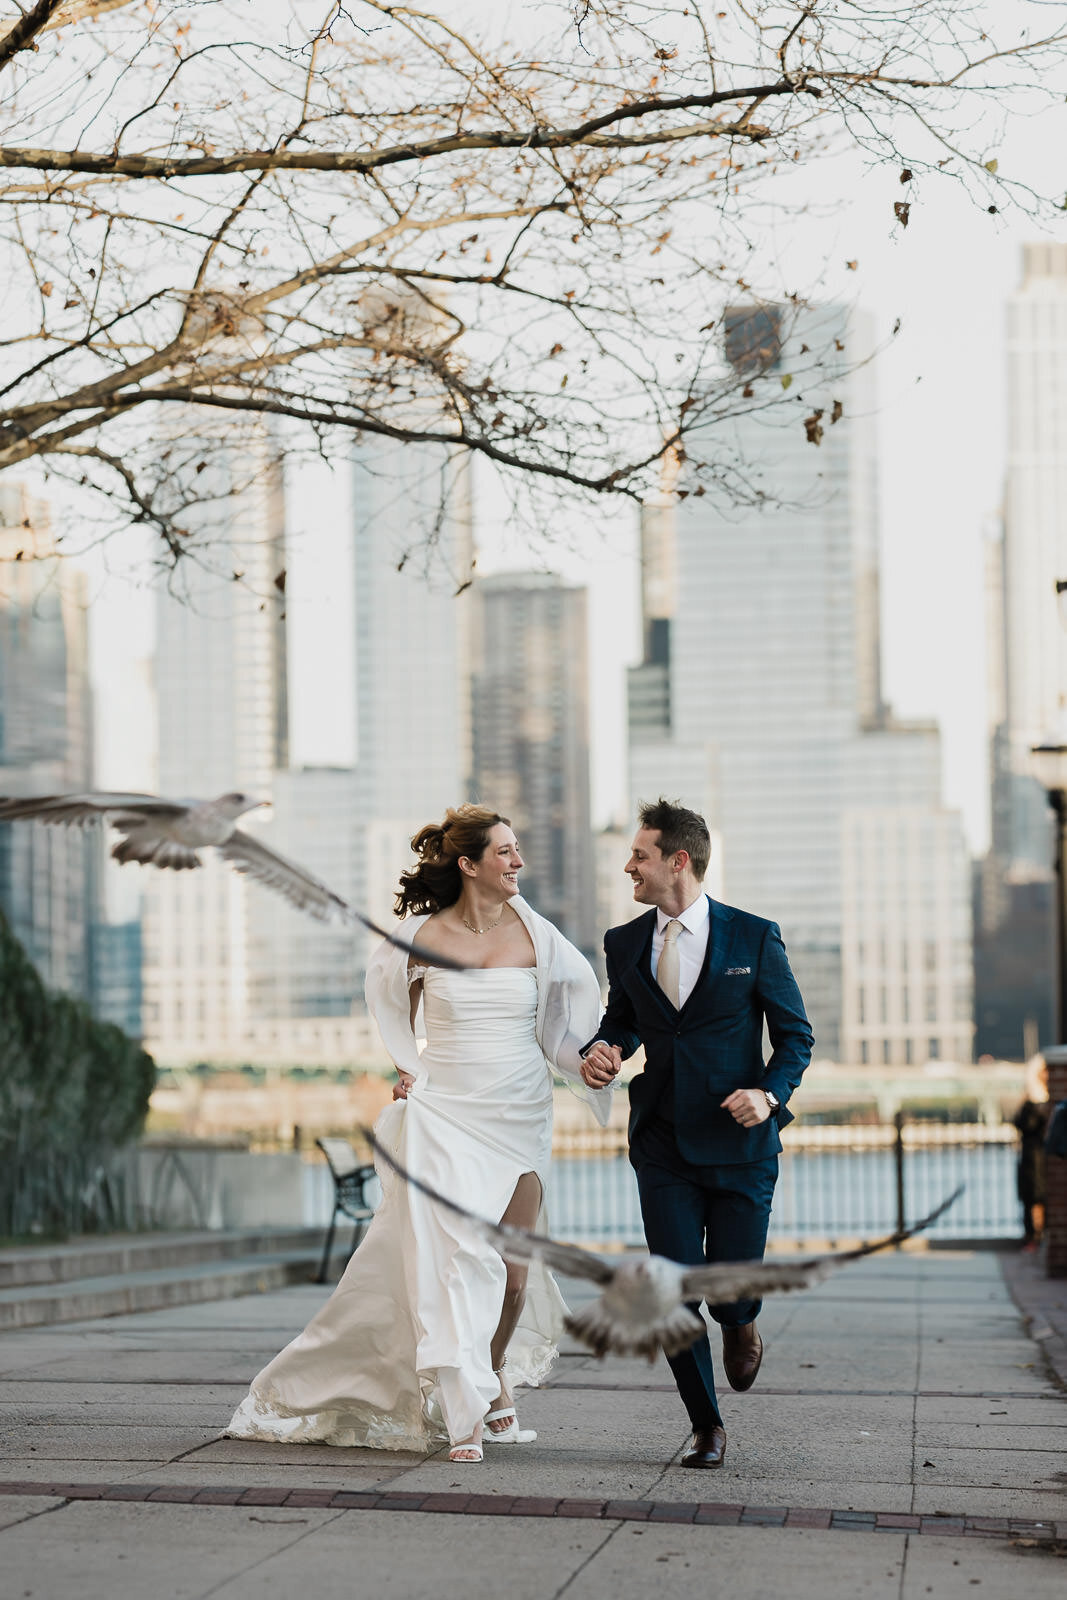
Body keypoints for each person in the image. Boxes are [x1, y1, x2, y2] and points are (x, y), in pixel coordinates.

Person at [226, 805, 611, 1463]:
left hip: (519, 1113)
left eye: (517, 850)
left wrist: (589, 1062)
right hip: (447, 1114)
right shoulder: (417, 936)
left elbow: (559, 1033)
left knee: (513, 1279)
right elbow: (389, 1004)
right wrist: (408, 1068)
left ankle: (490, 1385)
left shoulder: (538, 936)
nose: (518, 862)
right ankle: (463, 1416)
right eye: (505, 852)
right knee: (456, 1262)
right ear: (468, 864)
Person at [580, 798, 813, 1469]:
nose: (629, 866)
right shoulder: (623, 942)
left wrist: (768, 1094)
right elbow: (620, 1022)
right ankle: (705, 1425)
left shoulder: (752, 936)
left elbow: (794, 1036)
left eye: (639, 855)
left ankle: (740, 1325)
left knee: (728, 1291)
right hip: (661, 1143)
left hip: (740, 1145)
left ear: (677, 861)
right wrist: (603, 1050)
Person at [1013, 1056, 1049, 1251]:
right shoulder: (1031, 1103)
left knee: (1042, 1201)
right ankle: (1033, 1237)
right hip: (1032, 1160)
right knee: (1033, 1199)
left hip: (1042, 1160)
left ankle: (1039, 1236)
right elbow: (1024, 1124)